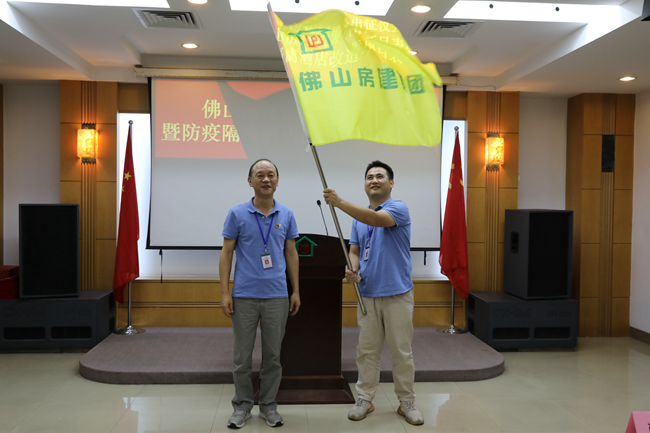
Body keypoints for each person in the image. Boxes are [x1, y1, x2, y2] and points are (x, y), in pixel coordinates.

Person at [323, 160, 424, 426]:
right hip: (366, 293)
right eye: (369, 177)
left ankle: (406, 402)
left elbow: (376, 220)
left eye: (380, 176)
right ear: (365, 184)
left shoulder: (398, 208)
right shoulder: (359, 219)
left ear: (391, 183)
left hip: (397, 293)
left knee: (401, 352)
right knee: (367, 352)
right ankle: (365, 399)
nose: (374, 180)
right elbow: (355, 251)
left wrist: (339, 203)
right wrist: (352, 269)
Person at [220, 159, 301, 429]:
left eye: (271, 175)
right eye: (259, 175)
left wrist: (295, 291)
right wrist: (225, 292)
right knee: (241, 358)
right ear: (250, 181)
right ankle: (242, 406)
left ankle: (268, 406)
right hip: (244, 295)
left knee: (273, 357)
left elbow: (291, 253)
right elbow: (226, 253)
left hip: (277, 295)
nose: (266, 179)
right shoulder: (236, 214)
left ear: (277, 180)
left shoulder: (286, 214)